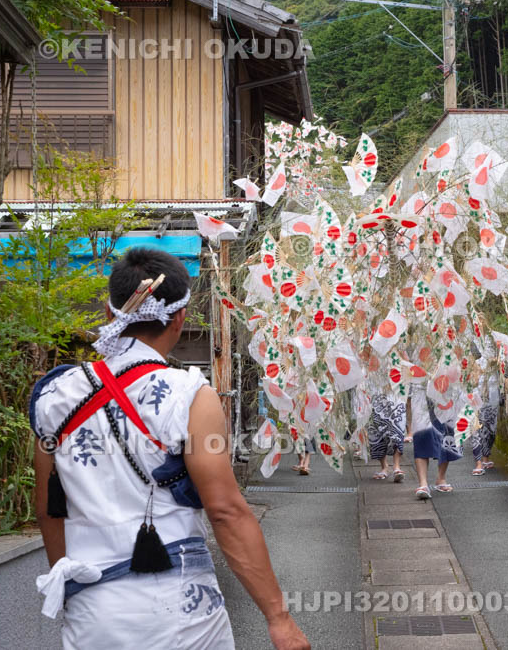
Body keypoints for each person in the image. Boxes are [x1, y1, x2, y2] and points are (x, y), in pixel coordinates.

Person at [29, 247, 308, 650]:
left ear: (110, 314)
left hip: (92, 609)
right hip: (179, 608)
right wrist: (278, 618)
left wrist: (69, 583)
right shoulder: (190, 394)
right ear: (179, 318)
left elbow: (48, 508)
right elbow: (226, 511)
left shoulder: (53, 396)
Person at [409, 383, 462, 499]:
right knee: (421, 433)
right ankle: (423, 484)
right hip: (421, 388)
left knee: (447, 434)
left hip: (446, 388)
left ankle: (441, 477)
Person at [368, 393, 406, 482]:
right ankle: (384, 467)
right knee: (376, 430)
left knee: (397, 427)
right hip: (373, 390)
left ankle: (396, 466)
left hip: (394, 388)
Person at [471, 373, 501, 476]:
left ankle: (485, 458)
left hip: (493, 398)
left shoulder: (499, 360)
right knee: (477, 430)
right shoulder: (475, 362)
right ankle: (478, 463)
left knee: (491, 431)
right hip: (477, 396)